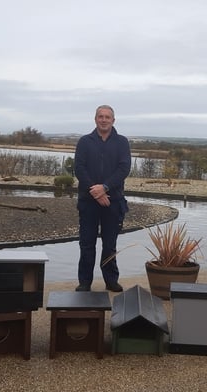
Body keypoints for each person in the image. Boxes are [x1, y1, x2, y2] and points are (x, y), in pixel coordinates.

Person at [74, 105, 131, 292]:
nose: (104, 119)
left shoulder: (122, 142)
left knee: (110, 244)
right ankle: (84, 282)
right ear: (95, 119)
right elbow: (79, 169)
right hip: (88, 201)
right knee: (87, 243)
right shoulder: (84, 142)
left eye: (107, 117)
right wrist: (96, 192)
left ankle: (111, 280)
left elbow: (124, 169)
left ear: (113, 120)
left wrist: (105, 187)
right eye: (100, 116)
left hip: (113, 202)